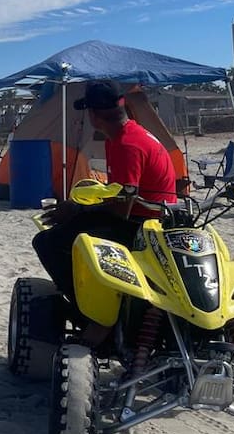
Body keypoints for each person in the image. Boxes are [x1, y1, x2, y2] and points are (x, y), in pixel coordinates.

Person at [31, 79, 177, 345]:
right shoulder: (133, 133)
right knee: (69, 227)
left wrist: (76, 210)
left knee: (49, 242)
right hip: (153, 216)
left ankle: (95, 315)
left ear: (94, 115)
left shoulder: (125, 145)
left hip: (140, 224)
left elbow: (122, 208)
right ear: (122, 104)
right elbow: (123, 193)